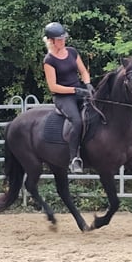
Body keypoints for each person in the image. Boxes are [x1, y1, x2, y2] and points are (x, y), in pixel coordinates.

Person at [42, 21, 94, 173]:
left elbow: (83, 71)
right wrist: (74, 90)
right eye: (59, 39)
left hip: (79, 90)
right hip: (63, 97)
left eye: (64, 38)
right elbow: (53, 86)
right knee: (77, 121)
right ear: (51, 41)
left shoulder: (72, 52)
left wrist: (88, 84)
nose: (63, 41)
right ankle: (74, 159)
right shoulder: (49, 60)